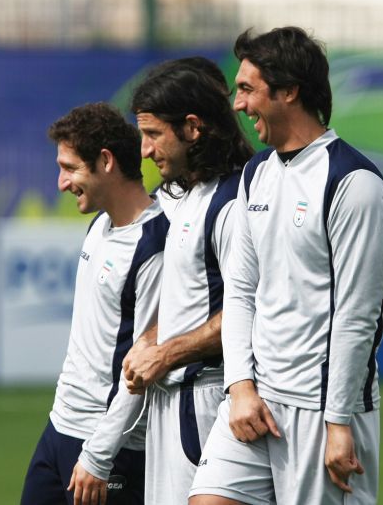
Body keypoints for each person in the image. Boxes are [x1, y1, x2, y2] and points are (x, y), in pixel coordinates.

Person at [190, 27, 383, 505]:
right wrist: (241, 386)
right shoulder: (255, 174)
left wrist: (338, 421)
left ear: (288, 91)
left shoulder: (354, 183)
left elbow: (357, 315)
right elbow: (241, 291)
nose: (238, 104)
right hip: (256, 400)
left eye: (247, 89)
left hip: (322, 409)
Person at [20, 102, 169, 505]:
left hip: (107, 449)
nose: (61, 183)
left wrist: (99, 454)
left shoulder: (154, 245)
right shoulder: (99, 224)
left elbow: (145, 364)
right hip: (59, 428)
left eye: (70, 168)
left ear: (105, 161)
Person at [122, 57, 254, 505]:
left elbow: (245, 311)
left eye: (153, 134)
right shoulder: (186, 195)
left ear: (193, 128)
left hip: (208, 396)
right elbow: (191, 302)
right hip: (173, 395)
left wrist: (166, 353)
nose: (144, 150)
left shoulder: (231, 204)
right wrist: (151, 340)